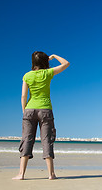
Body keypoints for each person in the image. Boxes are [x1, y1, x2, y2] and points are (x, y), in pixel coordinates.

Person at [12, 51, 70, 180]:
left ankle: (21, 174)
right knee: (47, 140)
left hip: (29, 110)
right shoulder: (47, 73)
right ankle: (51, 174)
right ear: (45, 62)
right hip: (45, 110)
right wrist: (54, 56)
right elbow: (66, 63)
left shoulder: (27, 75)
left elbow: (23, 96)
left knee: (26, 139)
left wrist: (24, 111)